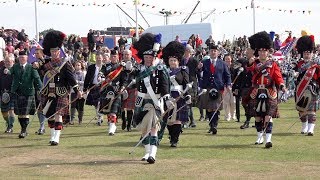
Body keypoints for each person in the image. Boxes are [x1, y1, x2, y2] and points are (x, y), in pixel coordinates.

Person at [33, 30, 82, 145]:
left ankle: (57, 137)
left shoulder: (65, 63)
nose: (54, 53)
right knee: (49, 116)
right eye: (52, 51)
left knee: (58, 114)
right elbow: (38, 67)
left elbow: (71, 79)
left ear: (59, 52)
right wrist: (35, 65)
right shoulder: (45, 62)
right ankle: (52, 136)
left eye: (56, 51)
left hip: (61, 92)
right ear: (49, 52)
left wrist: (77, 90)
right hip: (48, 92)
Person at [132, 33, 173, 164]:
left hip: (155, 101)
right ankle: (146, 152)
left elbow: (165, 84)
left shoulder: (160, 69)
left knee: (154, 127)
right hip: (142, 100)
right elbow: (131, 79)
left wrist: (167, 98)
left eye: (150, 57)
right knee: (144, 129)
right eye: (146, 57)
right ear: (142, 57)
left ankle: (152, 154)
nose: (148, 59)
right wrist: (127, 70)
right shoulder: (139, 69)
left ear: (153, 57)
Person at [247, 31, 286, 148]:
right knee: (258, 117)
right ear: (258, 51)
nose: (262, 53)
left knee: (268, 116)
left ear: (268, 51)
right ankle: (259, 137)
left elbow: (278, 77)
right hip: (256, 92)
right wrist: (249, 64)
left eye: (265, 51)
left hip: (270, 92)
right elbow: (249, 71)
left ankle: (268, 140)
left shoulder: (273, 64)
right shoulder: (254, 63)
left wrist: (282, 85)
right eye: (260, 51)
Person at [162, 41, 191, 147]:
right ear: (168, 61)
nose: (173, 62)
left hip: (179, 96)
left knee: (177, 119)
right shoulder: (165, 71)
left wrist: (187, 95)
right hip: (168, 97)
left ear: (178, 61)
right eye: (171, 60)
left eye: (174, 60)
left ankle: (175, 139)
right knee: (169, 120)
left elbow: (186, 83)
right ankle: (171, 135)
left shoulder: (183, 70)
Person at [197, 44, 232, 135]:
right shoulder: (204, 62)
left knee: (215, 108)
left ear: (218, 52)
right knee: (209, 108)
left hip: (218, 87)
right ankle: (211, 125)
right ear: (209, 52)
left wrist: (228, 84)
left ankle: (214, 126)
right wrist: (199, 68)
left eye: (215, 51)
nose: (213, 52)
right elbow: (198, 73)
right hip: (207, 87)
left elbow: (227, 75)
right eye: (212, 51)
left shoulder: (222, 63)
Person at [11, 49, 42, 138]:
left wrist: (41, 89)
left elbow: (37, 79)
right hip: (17, 92)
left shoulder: (31, 67)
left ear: (27, 58)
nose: (22, 59)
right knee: (20, 114)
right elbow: (9, 72)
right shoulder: (15, 67)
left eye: (23, 57)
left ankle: (24, 130)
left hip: (28, 93)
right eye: (20, 57)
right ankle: (23, 129)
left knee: (25, 112)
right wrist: (6, 70)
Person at [99, 50, 129, 136]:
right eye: (112, 56)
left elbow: (125, 79)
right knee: (107, 110)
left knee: (113, 111)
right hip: (107, 90)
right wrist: (101, 77)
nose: (113, 58)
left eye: (115, 56)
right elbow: (101, 73)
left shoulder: (121, 67)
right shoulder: (106, 66)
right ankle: (111, 124)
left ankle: (112, 127)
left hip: (117, 91)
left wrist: (123, 87)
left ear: (118, 57)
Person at [294, 35, 319, 136]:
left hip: (312, 90)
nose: (307, 55)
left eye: (309, 53)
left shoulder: (316, 66)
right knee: (302, 111)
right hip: (300, 90)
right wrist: (294, 73)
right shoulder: (297, 64)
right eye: (305, 53)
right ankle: (304, 126)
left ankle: (311, 129)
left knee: (312, 111)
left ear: (312, 54)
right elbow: (291, 73)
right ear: (302, 53)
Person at [84, 52, 105, 126]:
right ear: (95, 59)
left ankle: (100, 117)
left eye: (100, 58)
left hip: (103, 87)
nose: (99, 59)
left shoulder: (105, 67)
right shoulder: (91, 67)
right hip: (93, 86)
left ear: (102, 58)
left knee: (100, 103)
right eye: (97, 58)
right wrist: (85, 88)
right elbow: (87, 78)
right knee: (96, 104)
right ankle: (99, 117)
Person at [181, 44, 198, 127]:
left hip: (192, 83)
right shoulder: (181, 60)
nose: (186, 52)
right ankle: (190, 121)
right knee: (185, 102)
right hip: (183, 83)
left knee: (189, 102)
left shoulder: (194, 60)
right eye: (185, 51)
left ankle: (188, 121)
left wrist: (200, 68)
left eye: (188, 51)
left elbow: (198, 72)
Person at [121, 49, 137, 131]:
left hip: (132, 87)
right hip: (122, 88)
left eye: (128, 54)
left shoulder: (135, 64)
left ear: (131, 55)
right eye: (124, 54)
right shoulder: (120, 64)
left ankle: (129, 125)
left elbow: (138, 73)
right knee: (122, 107)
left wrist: (132, 69)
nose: (126, 56)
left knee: (130, 108)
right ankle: (124, 120)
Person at [0, 54, 15, 133]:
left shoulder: (15, 70)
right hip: (3, 93)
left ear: (13, 62)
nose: (7, 63)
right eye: (5, 61)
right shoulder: (1, 70)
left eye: (8, 61)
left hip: (12, 93)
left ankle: (10, 126)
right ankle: (8, 122)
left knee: (11, 110)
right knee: (4, 112)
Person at [34, 47, 47, 135]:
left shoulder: (46, 63)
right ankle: (41, 126)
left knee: (42, 108)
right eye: (35, 53)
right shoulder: (34, 64)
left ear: (42, 54)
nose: (36, 55)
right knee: (38, 109)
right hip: (36, 88)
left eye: (38, 53)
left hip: (45, 88)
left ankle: (42, 127)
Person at [70, 61, 85, 125]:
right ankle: (72, 119)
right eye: (76, 65)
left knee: (80, 106)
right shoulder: (72, 73)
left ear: (81, 66)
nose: (77, 66)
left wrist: (77, 82)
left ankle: (80, 120)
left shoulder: (83, 73)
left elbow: (84, 82)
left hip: (81, 91)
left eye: (79, 65)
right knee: (73, 105)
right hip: (73, 91)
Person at [223, 54, 236, 121]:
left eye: (229, 59)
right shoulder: (222, 67)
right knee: (226, 102)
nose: (227, 60)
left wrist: (232, 83)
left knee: (233, 102)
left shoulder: (234, 68)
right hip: (225, 87)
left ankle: (233, 114)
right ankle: (227, 115)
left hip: (233, 87)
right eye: (226, 59)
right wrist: (226, 85)